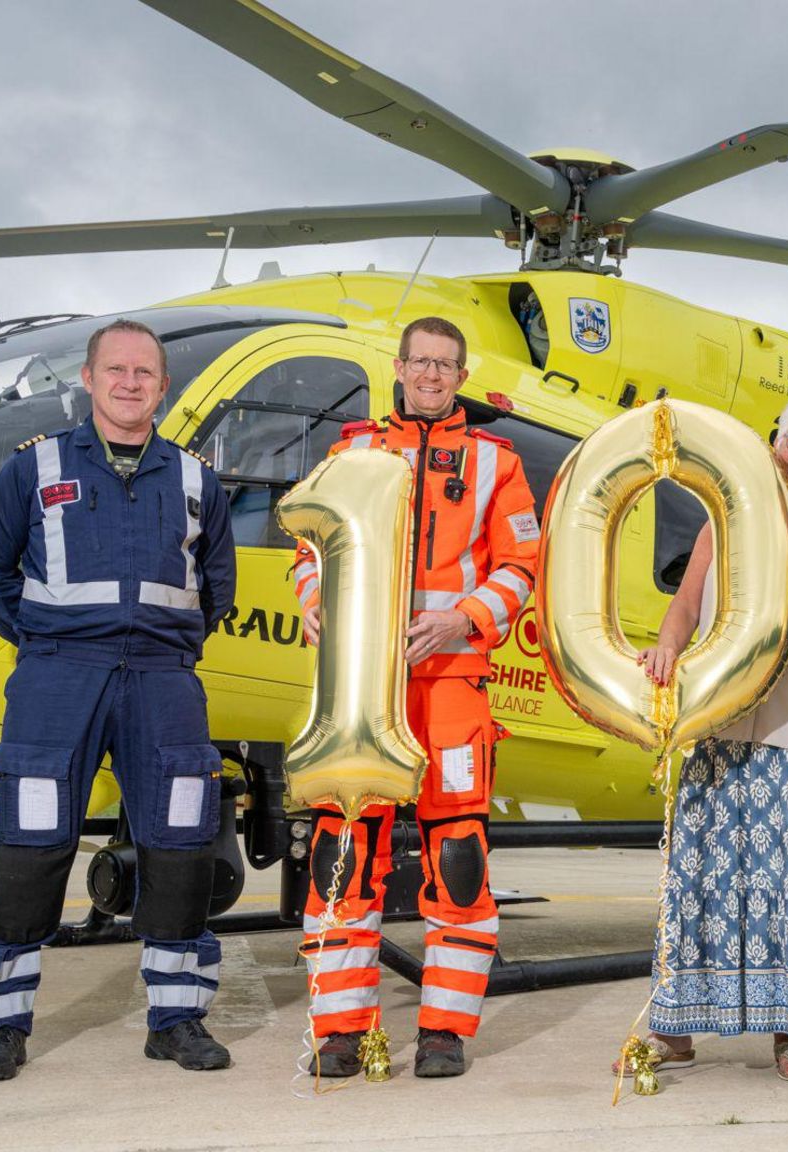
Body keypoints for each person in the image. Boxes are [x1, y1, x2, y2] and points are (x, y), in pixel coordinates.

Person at [0, 318, 237, 1081]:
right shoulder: (33, 468)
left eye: (144, 372)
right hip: (59, 677)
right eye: (115, 370)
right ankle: (1, 1028)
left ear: (162, 386)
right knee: (30, 847)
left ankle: (177, 1019)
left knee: (181, 846)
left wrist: (164, 647)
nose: (129, 383)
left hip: (162, 681)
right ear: (89, 379)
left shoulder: (194, 478)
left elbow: (216, 586)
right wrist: (49, 642)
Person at [290, 316, 540, 1079]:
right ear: (398, 367)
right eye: (420, 362)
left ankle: (444, 1032)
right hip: (361, 684)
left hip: (453, 682)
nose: (432, 375)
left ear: (461, 375)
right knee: (342, 847)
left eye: (446, 364)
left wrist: (461, 618)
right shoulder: (352, 451)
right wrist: (311, 596)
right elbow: (308, 546)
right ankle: (341, 1033)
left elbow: (523, 564)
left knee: (458, 856)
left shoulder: (498, 463)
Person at [630, 390, 788, 1081]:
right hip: (719, 731)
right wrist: (665, 653)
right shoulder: (724, 522)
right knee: (700, 885)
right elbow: (684, 605)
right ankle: (676, 1032)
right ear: (774, 445)